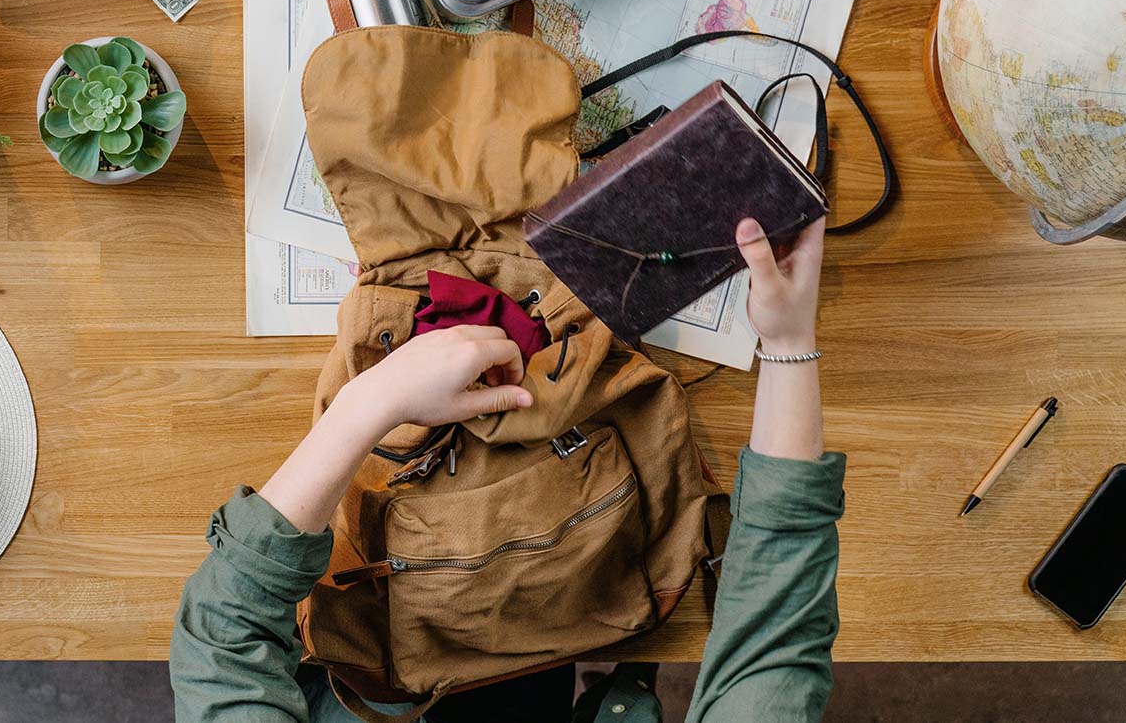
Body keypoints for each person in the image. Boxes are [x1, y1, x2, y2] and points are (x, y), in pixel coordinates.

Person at [171, 216, 844, 723]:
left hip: (376, 677)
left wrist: (372, 401)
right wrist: (787, 343)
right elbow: (775, 626)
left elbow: (227, 640)